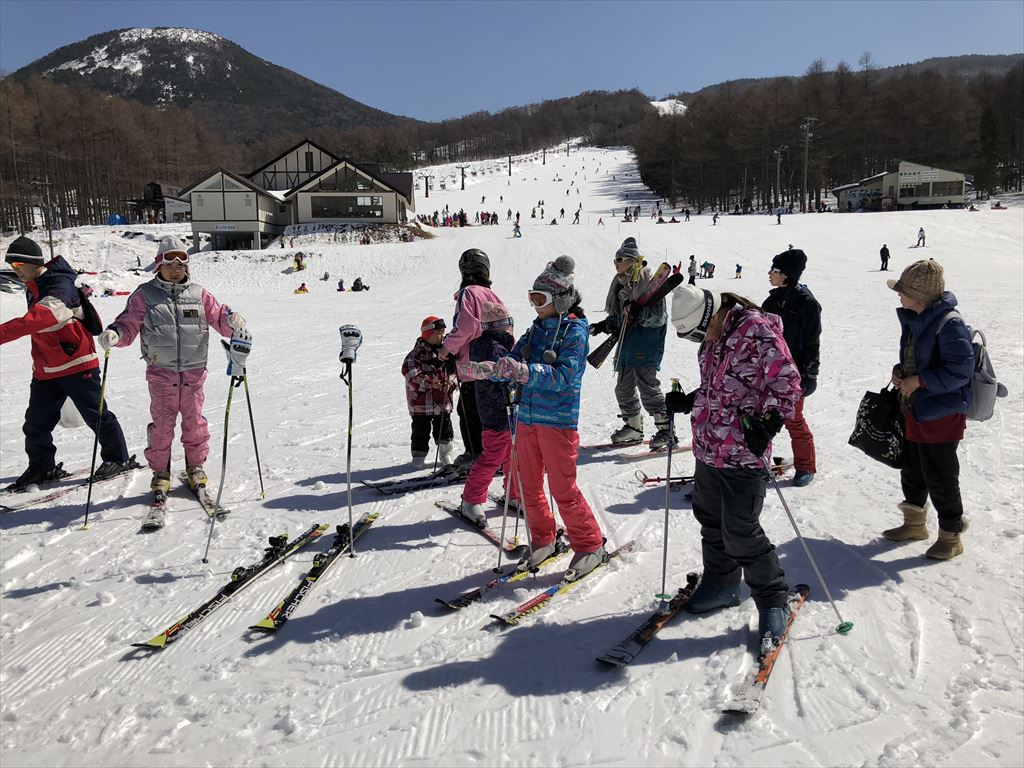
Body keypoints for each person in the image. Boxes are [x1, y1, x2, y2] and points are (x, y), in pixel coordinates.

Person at [665, 284, 802, 645]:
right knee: (710, 518)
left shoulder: (757, 330)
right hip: (709, 447)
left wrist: (770, 422)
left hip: (742, 450)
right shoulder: (715, 337)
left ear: (713, 316)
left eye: (698, 332)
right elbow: (720, 387)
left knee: (740, 529)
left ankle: (773, 598)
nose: (699, 340)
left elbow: (788, 382)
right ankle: (722, 583)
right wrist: (689, 400)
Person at [465, 257, 606, 580]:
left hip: (557, 421)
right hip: (526, 418)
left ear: (560, 299)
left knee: (562, 488)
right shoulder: (537, 329)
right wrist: (494, 368)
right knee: (527, 485)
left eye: (540, 299)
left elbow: (565, 375)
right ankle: (543, 538)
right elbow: (515, 360)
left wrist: (524, 371)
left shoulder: (575, 331)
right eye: (531, 297)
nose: (534, 305)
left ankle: (589, 544)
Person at [99, 236, 248, 498]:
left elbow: (220, 318)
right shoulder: (144, 295)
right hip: (161, 373)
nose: (176, 269)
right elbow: (129, 325)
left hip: (193, 372)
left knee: (194, 423)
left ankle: (195, 466)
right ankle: (160, 472)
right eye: (170, 263)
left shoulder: (199, 294)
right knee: (162, 425)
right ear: (159, 265)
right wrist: (116, 334)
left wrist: (232, 320)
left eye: (181, 264)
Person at [0, 236, 133, 491]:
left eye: (17, 265)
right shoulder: (33, 285)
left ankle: (117, 458)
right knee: (35, 423)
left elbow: (38, 320)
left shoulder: (60, 286)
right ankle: (42, 467)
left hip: (77, 363)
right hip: (46, 369)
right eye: (11, 266)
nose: (15, 271)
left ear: (32, 262)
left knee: (96, 414)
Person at [885, 260, 973, 560]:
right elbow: (914, 359)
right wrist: (901, 373)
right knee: (912, 469)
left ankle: (951, 537)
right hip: (915, 409)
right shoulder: (916, 318)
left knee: (941, 475)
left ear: (920, 295)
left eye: (903, 291)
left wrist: (920, 380)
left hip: (941, 415)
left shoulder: (949, 323)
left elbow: (961, 370)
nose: (898, 295)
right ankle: (914, 524)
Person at [589, 238, 674, 450]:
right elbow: (622, 317)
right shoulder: (623, 285)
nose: (616, 263)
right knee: (623, 388)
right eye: (615, 259)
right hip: (628, 343)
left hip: (647, 342)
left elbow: (658, 318)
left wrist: (639, 312)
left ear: (632, 260)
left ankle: (666, 430)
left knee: (647, 385)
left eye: (620, 259)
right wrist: (603, 326)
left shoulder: (648, 282)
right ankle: (633, 427)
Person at [438, 249, 509, 467]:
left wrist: (447, 349)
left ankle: (475, 454)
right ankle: (493, 454)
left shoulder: (468, 293)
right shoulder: (492, 295)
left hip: (471, 365)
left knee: (469, 412)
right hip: (492, 363)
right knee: (487, 411)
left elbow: (467, 325)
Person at [455, 304, 521, 526]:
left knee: (512, 454)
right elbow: (504, 376)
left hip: (503, 409)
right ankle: (470, 499)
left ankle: (513, 494)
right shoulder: (495, 348)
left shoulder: (490, 345)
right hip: (499, 411)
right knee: (494, 455)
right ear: (503, 327)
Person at [762, 249, 821, 487]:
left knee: (793, 418)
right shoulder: (771, 300)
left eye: (775, 271)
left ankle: (806, 466)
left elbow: (812, 342)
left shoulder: (807, 304)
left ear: (787, 275)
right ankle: (758, 462)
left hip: (793, 373)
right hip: (768, 371)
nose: (770, 274)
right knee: (761, 417)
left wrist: (810, 375)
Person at [402, 317, 456, 468]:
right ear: (428, 334)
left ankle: (446, 453)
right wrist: (431, 384)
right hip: (421, 404)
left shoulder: (446, 352)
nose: (442, 336)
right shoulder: (415, 355)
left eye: (443, 332)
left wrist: (449, 384)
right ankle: (419, 456)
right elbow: (411, 374)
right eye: (438, 332)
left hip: (442, 402)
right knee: (420, 431)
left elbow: (454, 372)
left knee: (444, 429)